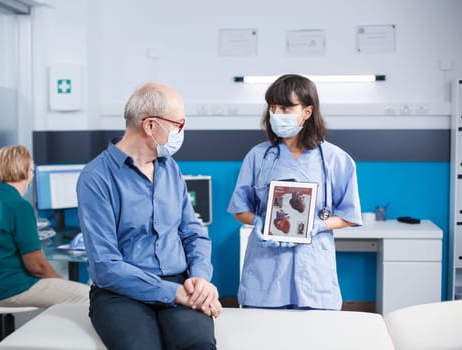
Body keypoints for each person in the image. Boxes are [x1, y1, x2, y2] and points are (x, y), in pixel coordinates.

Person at [77, 82, 221, 350]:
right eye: (178, 124)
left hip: (180, 281)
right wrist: (174, 294)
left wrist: (200, 278)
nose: (182, 131)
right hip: (120, 293)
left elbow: (193, 232)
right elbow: (105, 266)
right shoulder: (96, 178)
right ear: (150, 126)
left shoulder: (170, 169)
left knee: (199, 345)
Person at [227, 74, 362, 310]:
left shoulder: (336, 160)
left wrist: (318, 225)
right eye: (273, 107)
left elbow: (349, 216)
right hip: (266, 268)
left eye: (287, 108)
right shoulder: (258, 157)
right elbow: (240, 209)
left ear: (307, 112)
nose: (278, 113)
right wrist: (260, 221)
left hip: (313, 269)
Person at [0, 145, 89, 308]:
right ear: (26, 172)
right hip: (8, 289)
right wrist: (60, 284)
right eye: (32, 170)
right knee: (90, 298)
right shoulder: (19, 206)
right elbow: (37, 267)